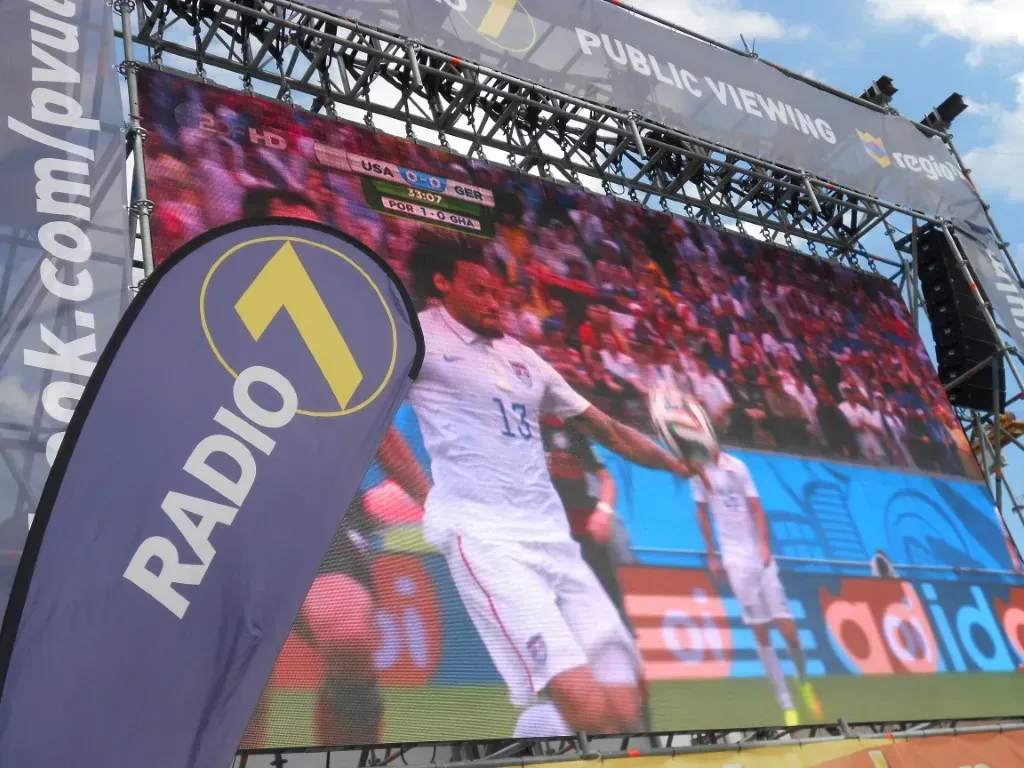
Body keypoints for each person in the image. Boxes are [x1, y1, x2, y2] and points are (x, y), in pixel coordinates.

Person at [378, 231, 705, 738]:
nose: (495, 300)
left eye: (497, 290)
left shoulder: (526, 359)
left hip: (556, 544)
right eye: (479, 290)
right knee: (591, 712)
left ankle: (531, 741)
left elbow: (606, 429)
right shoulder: (415, 338)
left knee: (624, 711)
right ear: (441, 285)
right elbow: (371, 425)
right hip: (489, 542)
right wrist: (431, 500)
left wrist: (674, 464)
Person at [692, 444, 824, 727]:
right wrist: (713, 555)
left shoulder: (737, 466)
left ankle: (803, 682)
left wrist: (763, 544)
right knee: (761, 633)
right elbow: (702, 512)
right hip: (735, 559)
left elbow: (756, 507)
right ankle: (786, 704)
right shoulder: (698, 470)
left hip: (760, 556)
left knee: (789, 632)